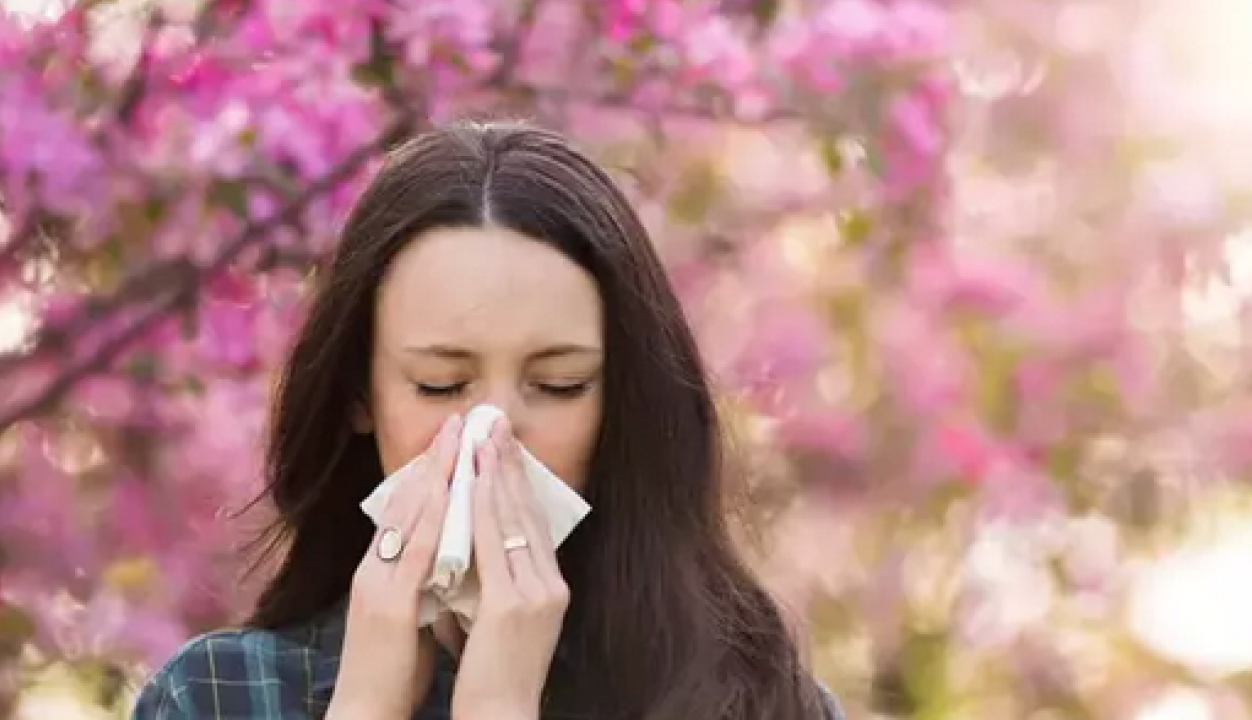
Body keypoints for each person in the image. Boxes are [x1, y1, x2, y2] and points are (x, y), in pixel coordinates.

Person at [129, 120, 844, 720]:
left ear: (619, 401)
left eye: (558, 385)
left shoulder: (757, 703)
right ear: (359, 394)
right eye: (441, 385)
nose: (493, 436)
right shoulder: (217, 697)